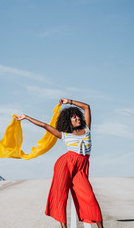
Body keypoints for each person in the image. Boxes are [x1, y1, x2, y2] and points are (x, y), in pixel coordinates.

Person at [15, 98, 104, 228]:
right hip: (65, 164)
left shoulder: (87, 129)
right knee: (60, 195)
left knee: (89, 197)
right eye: (74, 117)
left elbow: (86, 107)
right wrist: (27, 117)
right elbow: (45, 125)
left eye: (78, 117)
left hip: (81, 167)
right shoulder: (64, 135)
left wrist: (70, 101)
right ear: (68, 121)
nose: (78, 118)